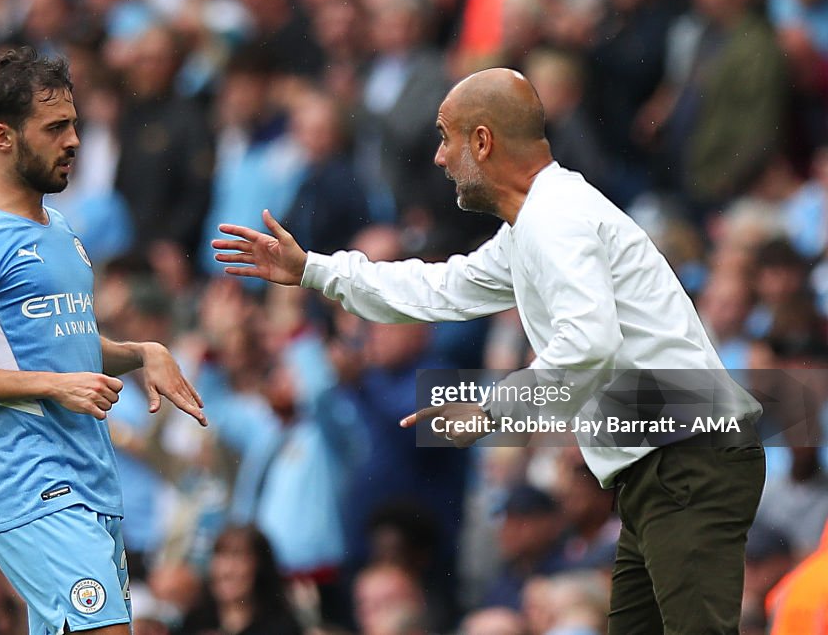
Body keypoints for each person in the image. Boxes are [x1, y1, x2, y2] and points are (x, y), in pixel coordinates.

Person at [212, 67, 766, 633]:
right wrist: (312, 269)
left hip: (688, 455)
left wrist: (490, 410)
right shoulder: (537, 223)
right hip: (668, 462)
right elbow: (439, 289)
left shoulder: (555, 220)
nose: (438, 157)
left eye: (445, 137)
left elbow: (588, 340)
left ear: (482, 141)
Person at [0, 47, 206, 635]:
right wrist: (52, 386)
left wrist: (142, 352)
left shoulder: (62, 230)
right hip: (32, 487)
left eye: (74, 124)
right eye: (55, 128)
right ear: (2, 136)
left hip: (94, 484)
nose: (74, 141)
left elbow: (65, 348)